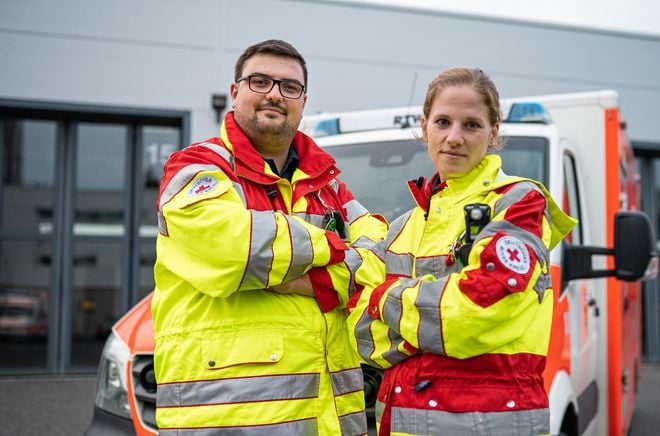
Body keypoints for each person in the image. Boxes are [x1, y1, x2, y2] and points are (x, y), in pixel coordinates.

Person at [151, 39, 387, 435]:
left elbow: (381, 256)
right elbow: (234, 249)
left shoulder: (326, 182)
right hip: (229, 418)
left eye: (289, 87)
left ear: (303, 100)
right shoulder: (197, 168)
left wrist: (301, 277)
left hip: (328, 419)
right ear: (234, 92)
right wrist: (334, 250)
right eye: (260, 81)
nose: (275, 94)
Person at [347, 67, 576, 435]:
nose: (454, 137)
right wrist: (430, 323)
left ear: (493, 132)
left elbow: (471, 312)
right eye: (442, 121)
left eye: (471, 124)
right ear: (425, 127)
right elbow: (355, 329)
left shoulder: (519, 204)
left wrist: (381, 299)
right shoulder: (402, 226)